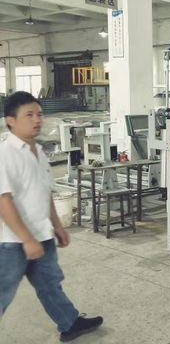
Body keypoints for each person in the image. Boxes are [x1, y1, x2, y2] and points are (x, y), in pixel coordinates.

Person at [0, 91, 103, 342]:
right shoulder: (5, 154)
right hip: (13, 242)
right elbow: (3, 201)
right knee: (2, 293)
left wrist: (57, 226)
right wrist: (27, 240)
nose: (37, 120)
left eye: (39, 114)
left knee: (49, 284)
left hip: (42, 234)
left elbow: (44, 192)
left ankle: (70, 323)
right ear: (10, 120)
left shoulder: (38, 151)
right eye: (29, 115)